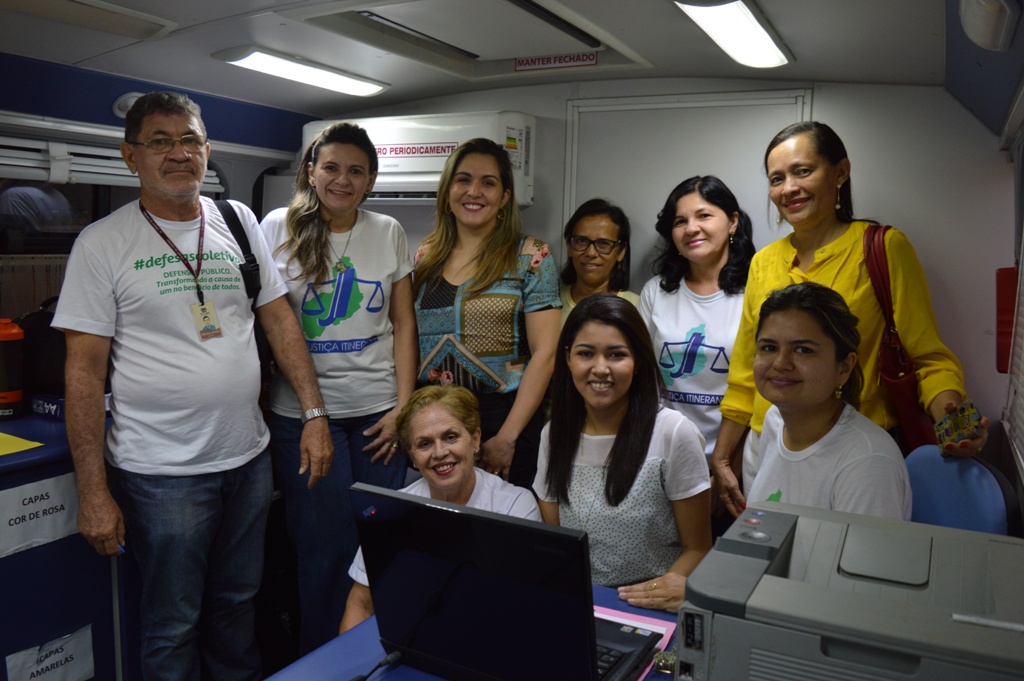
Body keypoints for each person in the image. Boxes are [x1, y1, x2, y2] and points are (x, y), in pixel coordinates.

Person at [52, 91, 332, 681]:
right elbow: (83, 374)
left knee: (237, 608)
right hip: (161, 474)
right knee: (172, 623)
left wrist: (314, 413)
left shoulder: (238, 220)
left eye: (191, 141)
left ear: (207, 151)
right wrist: (93, 493)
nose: (179, 154)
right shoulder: (102, 244)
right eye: (160, 141)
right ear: (131, 157)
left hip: (248, 459)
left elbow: (279, 320)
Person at [711, 121, 988, 518]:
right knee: (769, 563)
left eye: (803, 171)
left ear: (840, 172)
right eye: (777, 178)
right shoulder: (763, 262)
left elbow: (929, 358)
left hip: (850, 446)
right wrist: (723, 457)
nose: (788, 188)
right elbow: (743, 371)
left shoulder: (881, 248)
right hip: (768, 442)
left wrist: (953, 420)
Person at [259, 122, 417, 653]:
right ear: (310, 171)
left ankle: (387, 653)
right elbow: (269, 323)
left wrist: (404, 407)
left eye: (356, 171)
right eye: (331, 167)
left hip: (378, 415)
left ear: (371, 179)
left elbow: (403, 326)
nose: (342, 180)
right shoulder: (276, 226)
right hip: (301, 419)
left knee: (383, 548)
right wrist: (310, 414)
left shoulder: (388, 231)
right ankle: (325, 662)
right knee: (323, 554)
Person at [534, 294, 711, 613]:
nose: (600, 369)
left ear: (639, 361)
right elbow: (557, 544)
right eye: (586, 353)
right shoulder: (553, 435)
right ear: (567, 358)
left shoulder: (673, 433)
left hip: (650, 607)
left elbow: (698, 548)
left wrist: (647, 599)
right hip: (579, 603)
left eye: (616, 355)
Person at [413, 138, 560, 489]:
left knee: (504, 527)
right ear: (448, 189)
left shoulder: (532, 256)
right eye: (463, 180)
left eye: (488, 182)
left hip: (505, 415)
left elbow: (546, 353)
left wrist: (507, 437)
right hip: (438, 417)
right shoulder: (424, 258)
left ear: (505, 197)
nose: (473, 192)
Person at [339, 384, 541, 633]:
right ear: (412, 457)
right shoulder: (390, 514)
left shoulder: (515, 507)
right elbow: (361, 605)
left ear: (475, 439)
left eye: (450, 437)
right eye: (424, 444)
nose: (440, 452)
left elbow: (522, 608)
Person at [746, 282, 911, 520]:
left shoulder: (868, 460)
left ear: (844, 367)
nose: (781, 363)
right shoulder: (774, 420)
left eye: (803, 350)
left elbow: (864, 558)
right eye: (769, 347)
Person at [639, 176, 754, 463]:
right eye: (680, 221)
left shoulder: (756, 291)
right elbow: (640, 377)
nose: (691, 228)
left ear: (733, 222)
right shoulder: (656, 291)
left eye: (704, 215)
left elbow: (762, 391)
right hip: (662, 454)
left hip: (734, 457)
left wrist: (729, 464)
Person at [558, 198, 639, 326]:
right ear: (569, 246)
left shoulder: (637, 307)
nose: (591, 253)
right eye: (581, 241)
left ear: (621, 252)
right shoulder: (549, 303)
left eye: (603, 244)